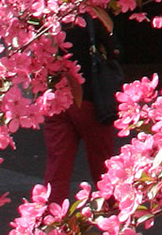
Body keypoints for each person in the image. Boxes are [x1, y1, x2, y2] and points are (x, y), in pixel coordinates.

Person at [42, 17, 120, 193]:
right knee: (104, 167)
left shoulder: (47, 16)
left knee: (57, 167)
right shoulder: (91, 16)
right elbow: (113, 49)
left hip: (55, 101)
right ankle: (112, 213)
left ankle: (51, 216)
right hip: (88, 99)